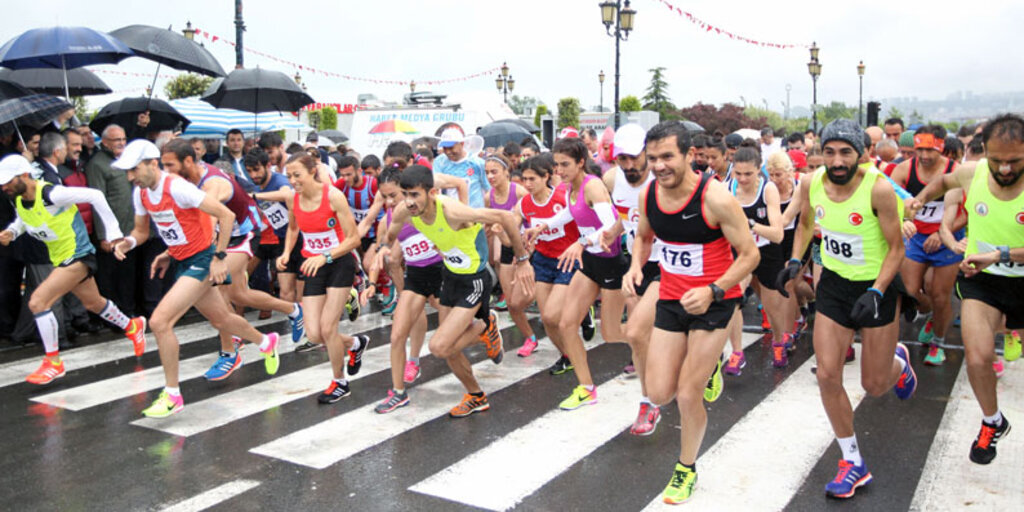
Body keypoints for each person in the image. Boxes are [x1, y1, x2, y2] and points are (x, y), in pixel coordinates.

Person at [778, 119, 918, 499]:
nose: (837, 161)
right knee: (827, 374)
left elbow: (896, 249)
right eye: (830, 152)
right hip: (836, 286)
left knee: (874, 385)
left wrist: (876, 290)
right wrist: (796, 262)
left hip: (876, 287)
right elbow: (805, 223)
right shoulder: (811, 183)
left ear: (861, 154)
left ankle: (898, 364)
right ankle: (852, 461)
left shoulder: (879, 188)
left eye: (845, 152)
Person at [627, 122, 758, 503]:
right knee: (658, 392)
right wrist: (635, 266)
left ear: (689, 156)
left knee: (687, 395)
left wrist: (713, 289)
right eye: (653, 158)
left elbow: (750, 254)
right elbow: (644, 237)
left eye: (668, 156)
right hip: (672, 297)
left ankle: (686, 468)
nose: (659, 165)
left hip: (715, 300)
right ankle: (709, 364)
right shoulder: (649, 194)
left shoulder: (714, 197)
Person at [111, 140, 282, 418]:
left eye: (134, 170)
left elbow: (226, 215)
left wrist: (219, 256)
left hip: (201, 260)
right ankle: (266, 342)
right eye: (127, 171)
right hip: (181, 260)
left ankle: (172, 394)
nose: (130, 177)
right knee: (222, 319)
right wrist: (127, 243)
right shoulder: (140, 193)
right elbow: (141, 232)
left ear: (152, 164)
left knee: (159, 321)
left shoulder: (178, 187)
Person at [378, 165, 533, 418]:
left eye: (415, 195)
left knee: (439, 346)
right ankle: (476, 396)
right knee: (450, 350)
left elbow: (504, 217)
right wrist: (383, 249)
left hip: (474, 280)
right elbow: (391, 233)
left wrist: (523, 260)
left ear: (431, 193)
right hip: (450, 276)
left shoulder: (452, 211)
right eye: (405, 194)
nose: (409, 201)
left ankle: (485, 326)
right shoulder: (404, 210)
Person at [912, 113, 1024, 465]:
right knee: (977, 357)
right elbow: (942, 182)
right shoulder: (973, 173)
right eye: (997, 160)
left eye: (1014, 161)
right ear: (985, 152)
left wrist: (999, 255)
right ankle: (992, 421)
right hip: (983, 281)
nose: (1005, 169)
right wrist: (919, 200)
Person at [160, 139, 305, 380]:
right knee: (240, 295)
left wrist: (216, 257)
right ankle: (292, 309)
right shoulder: (184, 180)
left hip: (245, 234)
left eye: (170, 165)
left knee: (214, 284)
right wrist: (171, 251)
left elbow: (209, 223)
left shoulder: (212, 184)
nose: (166, 172)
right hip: (225, 236)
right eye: (163, 166)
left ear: (188, 161)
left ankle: (229, 351)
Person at [0, 155, 146, 385]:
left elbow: (95, 195)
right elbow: (24, 219)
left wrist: (113, 233)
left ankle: (53, 362)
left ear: (25, 175)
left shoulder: (52, 194)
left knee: (38, 302)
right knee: (93, 303)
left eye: (8, 181)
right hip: (60, 258)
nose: (4, 186)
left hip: (78, 255)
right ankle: (132, 325)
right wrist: (12, 232)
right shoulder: (19, 199)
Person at [526, 138, 624, 410]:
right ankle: (587, 388)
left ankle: (660, 342)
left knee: (613, 333)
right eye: (556, 165)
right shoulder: (570, 187)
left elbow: (610, 227)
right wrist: (543, 226)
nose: (559, 170)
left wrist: (581, 243)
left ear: (581, 162)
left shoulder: (593, 185)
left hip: (610, 262)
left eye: (565, 164)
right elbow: (570, 214)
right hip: (590, 263)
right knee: (566, 324)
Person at [277, 153, 369, 404]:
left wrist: (325, 256)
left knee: (328, 328)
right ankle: (355, 343)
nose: (293, 181)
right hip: (314, 265)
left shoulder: (333, 196)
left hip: (339, 263)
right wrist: (286, 252)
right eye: (289, 176)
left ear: (312, 172)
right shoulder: (293, 198)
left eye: (297, 175)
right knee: (315, 334)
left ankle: (340, 382)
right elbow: (293, 228)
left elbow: (353, 239)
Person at [364, 168, 444, 413]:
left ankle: (486, 324)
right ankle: (398, 393)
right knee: (397, 336)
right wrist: (372, 281)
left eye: (394, 195)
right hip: (416, 277)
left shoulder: (431, 206)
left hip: (442, 272)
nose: (389, 202)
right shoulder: (391, 216)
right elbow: (385, 246)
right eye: (385, 197)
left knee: (455, 337)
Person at [604, 123, 663, 434]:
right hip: (638, 263)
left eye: (634, 158)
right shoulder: (612, 179)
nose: (629, 165)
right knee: (641, 335)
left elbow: (648, 234)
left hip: (668, 263)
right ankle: (649, 398)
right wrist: (611, 232)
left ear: (647, 153)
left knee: (639, 331)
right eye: (622, 158)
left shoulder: (661, 180)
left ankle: (651, 398)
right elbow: (625, 216)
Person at [889, 125, 963, 365]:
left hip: (947, 236)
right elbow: (889, 202)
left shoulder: (955, 172)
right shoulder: (904, 170)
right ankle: (932, 314)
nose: (924, 155)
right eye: (919, 150)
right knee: (909, 291)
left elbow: (969, 211)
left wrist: (943, 232)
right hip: (916, 237)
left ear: (941, 147)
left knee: (940, 295)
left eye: (930, 150)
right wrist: (904, 221)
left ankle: (938, 343)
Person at [516, 155, 580, 368]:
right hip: (543, 260)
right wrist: (502, 231)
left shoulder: (562, 198)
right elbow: (512, 229)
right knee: (547, 319)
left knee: (553, 316)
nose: (527, 184)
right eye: (524, 179)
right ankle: (567, 356)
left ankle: (583, 313)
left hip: (567, 259)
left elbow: (583, 220)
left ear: (546, 177)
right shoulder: (524, 204)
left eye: (532, 179)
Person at [730, 148, 789, 365]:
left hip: (766, 251)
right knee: (733, 299)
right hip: (741, 251)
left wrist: (751, 224)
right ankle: (737, 352)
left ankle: (778, 341)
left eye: (748, 174)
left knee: (772, 308)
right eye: (738, 173)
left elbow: (778, 234)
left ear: (758, 170)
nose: (743, 179)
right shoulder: (728, 188)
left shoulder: (768, 189)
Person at [247, 148, 304, 327]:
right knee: (285, 292)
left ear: (268, 166)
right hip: (282, 239)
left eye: (257, 170)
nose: (253, 175)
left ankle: (311, 329)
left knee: (302, 293)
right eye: (249, 171)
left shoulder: (279, 181)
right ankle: (297, 324)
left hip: (301, 238)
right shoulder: (258, 188)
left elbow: (288, 194)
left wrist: (256, 195)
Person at [484, 153, 534, 352]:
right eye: (487, 173)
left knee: (527, 297)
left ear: (506, 172)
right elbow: (488, 226)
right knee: (512, 303)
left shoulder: (519, 192)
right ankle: (530, 337)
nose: (490, 177)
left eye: (494, 172)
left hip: (527, 246)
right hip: (506, 245)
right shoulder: (489, 197)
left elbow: (530, 220)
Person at [86, 124, 137, 317]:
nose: (122, 143)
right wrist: (103, 236)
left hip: (129, 230)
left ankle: (128, 311)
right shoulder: (97, 164)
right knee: (110, 276)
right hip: (111, 233)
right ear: (105, 142)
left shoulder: (126, 160)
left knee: (127, 275)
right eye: (117, 140)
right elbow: (96, 201)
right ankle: (112, 317)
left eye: (123, 139)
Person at [434, 128, 489, 208]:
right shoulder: (439, 162)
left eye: (451, 148)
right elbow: (436, 188)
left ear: (462, 144)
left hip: (474, 212)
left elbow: (488, 189)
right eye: (445, 148)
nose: (448, 152)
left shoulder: (477, 163)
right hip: (451, 212)